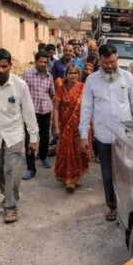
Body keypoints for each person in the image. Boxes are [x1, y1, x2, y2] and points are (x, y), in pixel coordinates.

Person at [80, 44, 133, 221]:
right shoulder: (92, 81)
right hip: (103, 137)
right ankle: (113, 206)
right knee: (108, 174)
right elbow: (86, 108)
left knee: (128, 172)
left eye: (113, 62)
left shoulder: (128, 77)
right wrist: (83, 135)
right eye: (106, 62)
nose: (109, 66)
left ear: (117, 59)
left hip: (125, 137)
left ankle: (130, 205)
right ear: (100, 60)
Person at [0, 48, 39, 224]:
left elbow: (28, 112)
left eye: (4, 66)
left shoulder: (20, 85)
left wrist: (33, 138)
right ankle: (7, 193)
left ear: (10, 66)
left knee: (12, 170)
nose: (1, 70)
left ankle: (11, 206)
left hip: (14, 134)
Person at [53, 64, 91, 193]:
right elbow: (56, 108)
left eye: (75, 73)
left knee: (78, 151)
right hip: (65, 126)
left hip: (80, 126)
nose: (73, 75)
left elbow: (89, 107)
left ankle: (76, 176)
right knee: (67, 151)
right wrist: (56, 127)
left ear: (79, 75)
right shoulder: (61, 89)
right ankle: (69, 179)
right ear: (66, 75)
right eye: (70, 73)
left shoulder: (84, 88)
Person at [21, 51, 55, 180]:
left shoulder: (49, 77)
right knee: (30, 138)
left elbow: (52, 94)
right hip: (31, 112)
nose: (43, 64)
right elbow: (21, 94)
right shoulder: (27, 74)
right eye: (41, 61)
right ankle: (30, 168)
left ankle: (43, 156)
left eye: (46, 62)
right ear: (36, 61)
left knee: (45, 136)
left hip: (46, 110)